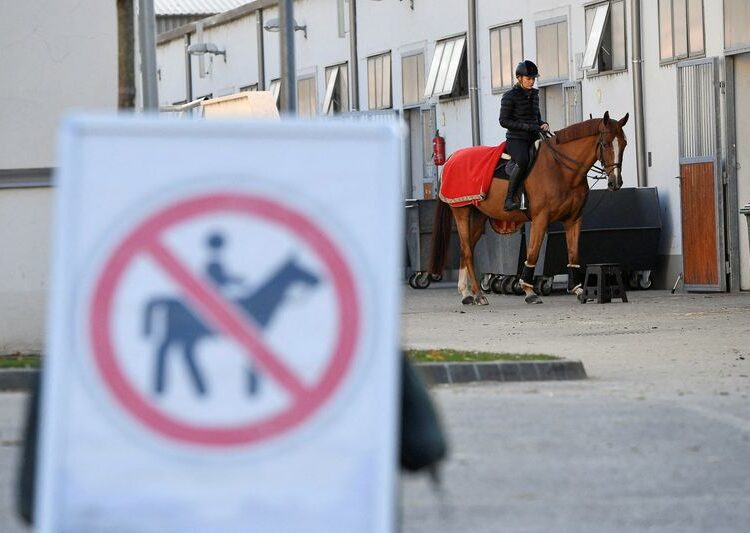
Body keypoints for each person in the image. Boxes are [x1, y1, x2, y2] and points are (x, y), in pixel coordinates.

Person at [498, 60, 550, 211]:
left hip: (533, 136)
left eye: (533, 79)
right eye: (529, 79)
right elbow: (503, 121)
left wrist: (543, 124)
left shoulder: (535, 95)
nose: (532, 81)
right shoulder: (509, 96)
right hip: (516, 139)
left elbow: (536, 118)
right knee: (523, 160)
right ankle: (509, 199)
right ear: (519, 78)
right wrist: (526, 127)